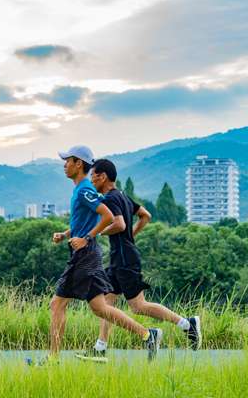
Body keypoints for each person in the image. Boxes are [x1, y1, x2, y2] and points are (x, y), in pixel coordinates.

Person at [37, 146, 162, 365]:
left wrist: (86, 238)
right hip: (85, 254)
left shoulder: (85, 189)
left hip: (85, 255)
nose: (65, 164)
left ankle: (53, 359)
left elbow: (107, 216)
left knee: (58, 304)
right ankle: (147, 335)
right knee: (97, 307)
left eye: (68, 160)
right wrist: (66, 233)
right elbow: (89, 219)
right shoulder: (82, 190)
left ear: (79, 164)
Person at [76, 158, 201, 362]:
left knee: (138, 306)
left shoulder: (109, 199)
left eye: (93, 177)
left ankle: (187, 324)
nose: (91, 181)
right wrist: (131, 237)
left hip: (125, 260)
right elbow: (146, 215)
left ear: (102, 177)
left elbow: (119, 224)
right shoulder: (124, 196)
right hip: (121, 258)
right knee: (107, 301)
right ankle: (100, 347)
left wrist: (99, 233)